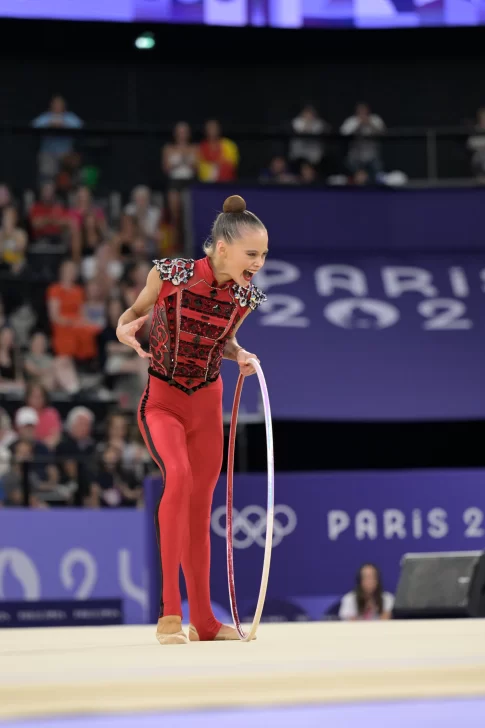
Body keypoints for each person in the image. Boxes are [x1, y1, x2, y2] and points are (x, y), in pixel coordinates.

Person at [116, 195, 268, 645]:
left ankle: (203, 621)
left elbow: (224, 340)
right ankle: (168, 613)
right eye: (252, 254)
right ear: (222, 248)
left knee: (201, 510)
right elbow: (133, 315)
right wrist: (125, 328)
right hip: (162, 402)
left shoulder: (246, 297)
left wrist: (240, 355)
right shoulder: (169, 275)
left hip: (207, 406)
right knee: (177, 478)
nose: (258, 263)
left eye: (263, 255)